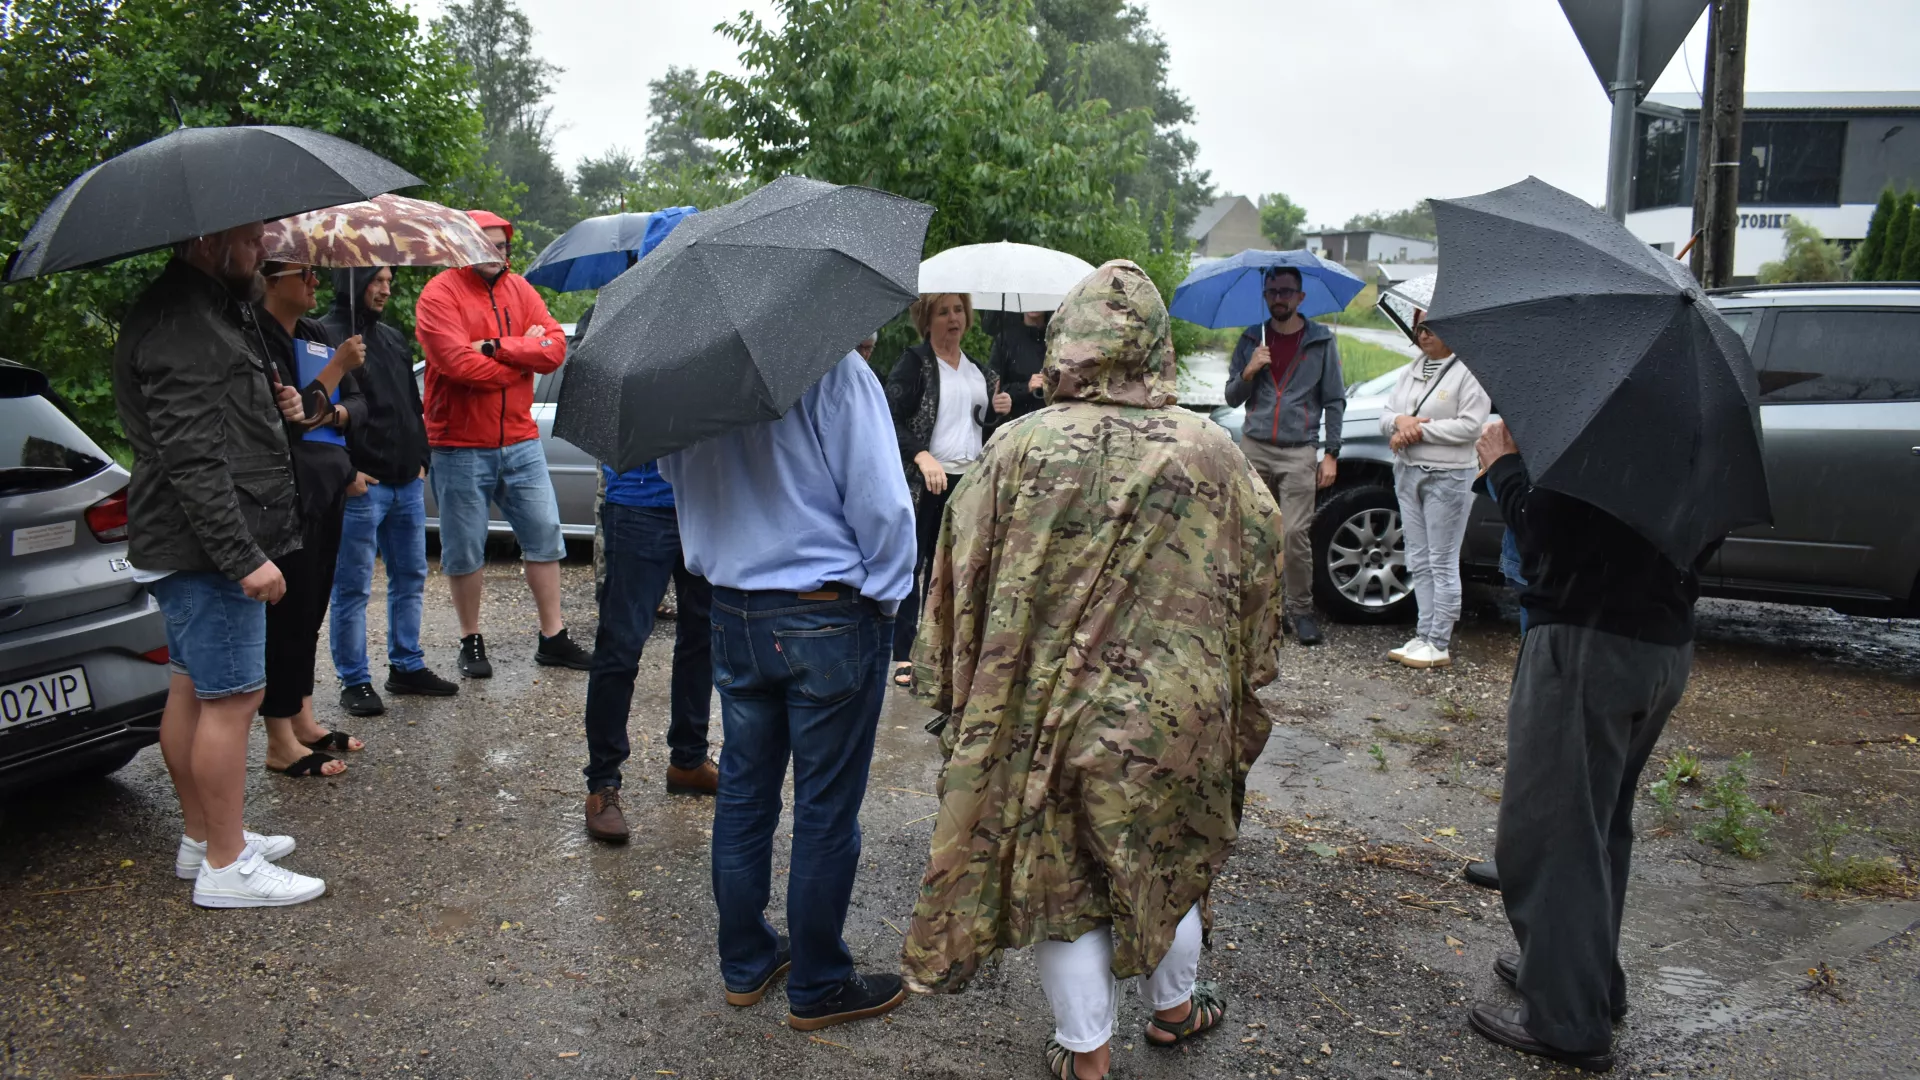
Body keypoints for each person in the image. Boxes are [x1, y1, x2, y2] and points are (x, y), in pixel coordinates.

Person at [900, 261, 1282, 1080]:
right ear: (1155, 346)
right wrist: (1239, 671)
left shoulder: (1017, 448)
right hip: (1179, 713)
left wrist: (952, 686)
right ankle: (1175, 1011)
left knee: (1063, 878)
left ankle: (1088, 1060)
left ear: (1069, 338)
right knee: (1171, 852)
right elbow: (1262, 572)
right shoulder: (1212, 450)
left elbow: (955, 573)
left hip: (1048, 710)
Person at [659, 350, 915, 1033]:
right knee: (826, 811)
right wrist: (888, 599)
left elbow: (671, 472)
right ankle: (820, 985)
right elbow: (884, 504)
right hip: (824, 610)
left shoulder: (689, 374)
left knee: (744, 795)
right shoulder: (832, 369)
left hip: (735, 607)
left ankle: (746, 964)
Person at [1468, 419, 1704, 1073]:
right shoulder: (1687, 430)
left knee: (1554, 831)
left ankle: (1568, 1019)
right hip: (1661, 645)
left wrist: (1504, 468)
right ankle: (1584, 978)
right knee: (1600, 823)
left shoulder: (1596, 424)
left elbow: (1547, 542)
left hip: (1586, 643)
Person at [113, 223, 322, 908]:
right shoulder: (186, 324)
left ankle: (205, 839)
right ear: (209, 240)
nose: (263, 253)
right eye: (252, 241)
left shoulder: (203, 309)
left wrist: (282, 404)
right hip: (208, 549)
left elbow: (217, 424)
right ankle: (227, 867)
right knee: (231, 701)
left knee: (191, 689)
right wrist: (243, 558)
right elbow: (193, 459)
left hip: (193, 544)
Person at [415, 210, 591, 676]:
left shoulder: (521, 290)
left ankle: (552, 636)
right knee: (463, 548)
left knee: (546, 535)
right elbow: (457, 365)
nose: (496, 253)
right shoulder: (439, 294)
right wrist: (520, 358)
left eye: (502, 246)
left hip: (520, 439)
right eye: (486, 244)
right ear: (465, 245)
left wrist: (496, 347)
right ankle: (470, 640)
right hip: (458, 443)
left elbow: (554, 349)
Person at [323, 266, 457, 716]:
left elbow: (411, 405)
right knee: (353, 587)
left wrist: (422, 461)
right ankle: (354, 679)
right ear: (352, 279)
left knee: (410, 578)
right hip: (362, 487)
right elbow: (318, 413)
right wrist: (347, 473)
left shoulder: (394, 339)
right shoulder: (325, 336)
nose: (385, 289)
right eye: (376, 280)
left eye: (388, 281)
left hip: (405, 482)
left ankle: (406, 664)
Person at [256, 261, 367, 777]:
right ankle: (279, 738)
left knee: (313, 605)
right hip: (286, 492)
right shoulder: (258, 335)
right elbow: (288, 419)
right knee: (288, 610)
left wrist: (334, 409)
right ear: (273, 278)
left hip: (326, 486)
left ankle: (303, 717)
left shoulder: (317, 333)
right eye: (304, 273)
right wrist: (336, 372)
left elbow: (356, 406)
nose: (315, 282)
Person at [580, 458, 716, 842]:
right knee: (620, 647)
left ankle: (688, 760)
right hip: (639, 501)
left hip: (706, 504)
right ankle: (602, 782)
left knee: (703, 640)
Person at [883, 292, 1011, 687]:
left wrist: (1000, 407)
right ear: (927, 320)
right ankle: (904, 654)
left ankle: (947, 653)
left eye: (958, 310)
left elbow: (978, 428)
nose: (953, 318)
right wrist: (922, 456)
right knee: (914, 564)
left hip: (968, 482)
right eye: (943, 312)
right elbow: (889, 418)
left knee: (960, 569)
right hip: (925, 482)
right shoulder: (915, 364)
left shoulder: (980, 373)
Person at [1225, 266, 1346, 646]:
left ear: (1300, 297)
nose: (1279, 297)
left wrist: (1331, 454)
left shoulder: (1321, 342)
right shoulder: (1250, 338)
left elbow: (1334, 401)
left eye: (1287, 291)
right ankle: (1255, 610)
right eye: (1273, 291)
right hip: (1256, 447)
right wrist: (1249, 370)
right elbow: (1231, 397)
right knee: (1251, 532)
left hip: (1299, 452)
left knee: (1294, 534)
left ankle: (1301, 610)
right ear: (1265, 295)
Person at [1378, 322, 1490, 669]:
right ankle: (1423, 633)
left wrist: (1416, 431)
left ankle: (1439, 641)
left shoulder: (1469, 371)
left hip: (1449, 476)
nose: (1423, 334)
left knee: (1442, 560)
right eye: (1418, 328)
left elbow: (1471, 426)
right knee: (1417, 557)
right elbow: (1385, 418)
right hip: (1408, 472)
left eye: (1431, 327)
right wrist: (1401, 420)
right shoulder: (1411, 371)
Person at [987, 309, 1050, 421]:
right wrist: (1026, 387)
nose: (1033, 303)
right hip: (1016, 423)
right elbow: (994, 388)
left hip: (1052, 421)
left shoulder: (1056, 338)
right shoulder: (1005, 339)